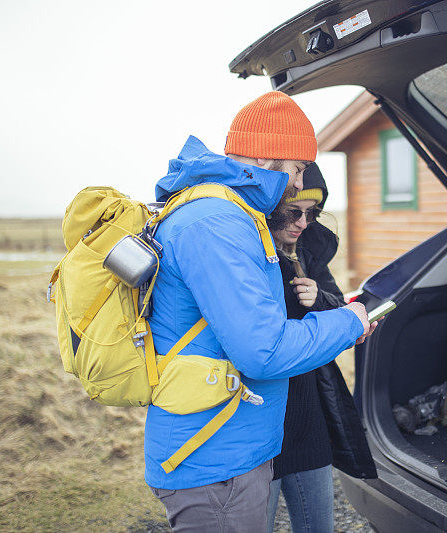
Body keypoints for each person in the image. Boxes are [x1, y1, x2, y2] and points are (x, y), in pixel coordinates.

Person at [144, 91, 376, 532]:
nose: (299, 179)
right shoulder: (216, 223)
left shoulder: (230, 216)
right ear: (272, 158)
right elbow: (263, 352)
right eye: (299, 168)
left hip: (229, 444)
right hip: (214, 456)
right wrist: (349, 321)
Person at [265, 163, 377, 532]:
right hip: (261, 417)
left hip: (309, 412)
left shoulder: (310, 250)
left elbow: (337, 307)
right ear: (271, 206)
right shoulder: (249, 254)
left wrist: (322, 301)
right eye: (293, 211)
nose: (302, 222)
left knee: (319, 525)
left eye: (312, 213)